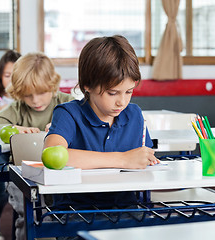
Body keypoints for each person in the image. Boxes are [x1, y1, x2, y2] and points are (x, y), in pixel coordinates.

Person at [44, 35, 159, 215]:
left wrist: (147, 160)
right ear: (87, 85)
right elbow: (52, 155)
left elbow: (147, 161)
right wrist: (122, 159)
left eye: (129, 91)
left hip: (126, 210)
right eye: (112, 93)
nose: (122, 102)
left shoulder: (134, 114)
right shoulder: (68, 114)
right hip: (76, 213)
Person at [0, 52, 75, 240]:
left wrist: (64, 128)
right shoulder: (18, 108)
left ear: (52, 85)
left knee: (67, 216)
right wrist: (12, 128)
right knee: (29, 219)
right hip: (24, 174)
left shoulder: (67, 104)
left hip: (63, 174)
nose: (35, 101)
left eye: (42, 93)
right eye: (28, 95)